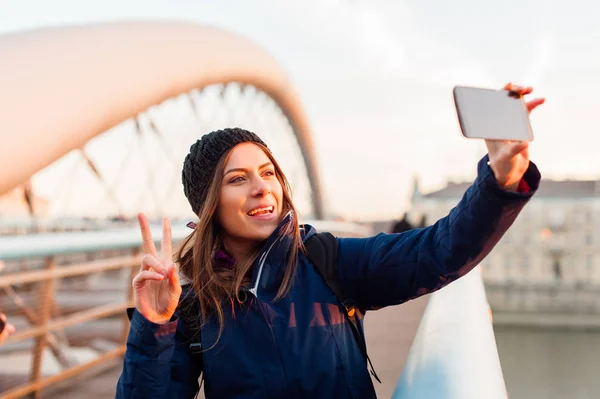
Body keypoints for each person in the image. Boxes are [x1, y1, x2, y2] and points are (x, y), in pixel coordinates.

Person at [116, 83, 544, 398]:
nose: (262, 188)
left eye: (268, 173)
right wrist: (153, 326)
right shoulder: (194, 307)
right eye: (237, 179)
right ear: (208, 204)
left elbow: (438, 251)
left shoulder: (327, 261)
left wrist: (500, 178)